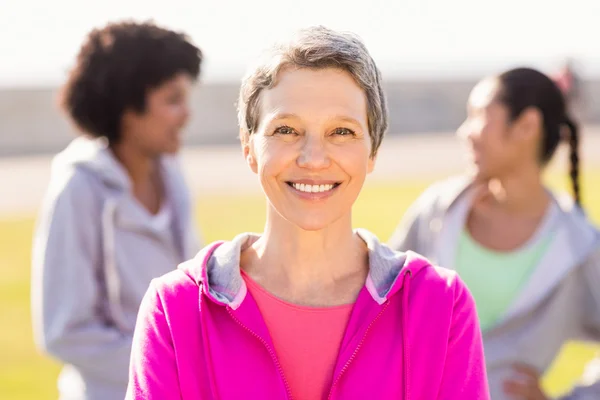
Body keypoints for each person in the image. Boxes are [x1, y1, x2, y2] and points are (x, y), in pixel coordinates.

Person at [126, 26, 490, 400]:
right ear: (248, 147)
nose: (313, 158)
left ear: (373, 150)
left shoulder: (440, 306)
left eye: (342, 132)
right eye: (286, 130)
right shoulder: (176, 309)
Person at [388, 67, 600, 400]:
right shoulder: (437, 210)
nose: (464, 132)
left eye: (478, 116)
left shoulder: (580, 246)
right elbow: (377, 307)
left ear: (526, 126)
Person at [31, 20, 203, 400]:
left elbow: (192, 295)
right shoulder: (79, 188)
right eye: (172, 100)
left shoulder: (171, 174)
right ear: (128, 109)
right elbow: (64, 331)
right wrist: (167, 360)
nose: (186, 114)